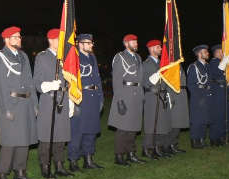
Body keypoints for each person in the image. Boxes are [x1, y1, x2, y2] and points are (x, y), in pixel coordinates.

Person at [0, 26, 38, 179]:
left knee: (24, 140)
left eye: (19, 37)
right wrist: (6, 108)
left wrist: (35, 105)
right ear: (6, 39)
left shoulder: (23, 56)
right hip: (11, 104)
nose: (19, 39)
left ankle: (20, 172)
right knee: (9, 141)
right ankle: (2, 174)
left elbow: (30, 82)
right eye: (15, 37)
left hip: (26, 103)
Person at [34, 29, 73, 178]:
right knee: (46, 137)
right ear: (51, 40)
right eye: (59, 40)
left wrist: (71, 101)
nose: (62, 43)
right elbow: (37, 82)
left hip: (63, 98)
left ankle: (59, 165)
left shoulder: (65, 58)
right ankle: (45, 166)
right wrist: (50, 85)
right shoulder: (42, 57)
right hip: (49, 100)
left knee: (61, 135)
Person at [108, 34, 146, 166]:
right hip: (125, 94)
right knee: (123, 128)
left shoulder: (138, 57)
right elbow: (116, 80)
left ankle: (131, 154)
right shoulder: (119, 57)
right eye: (133, 42)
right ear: (126, 43)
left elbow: (140, 78)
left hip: (137, 95)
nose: (136, 43)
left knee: (134, 127)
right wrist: (119, 99)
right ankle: (119, 156)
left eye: (136, 41)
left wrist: (142, 95)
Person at [69, 34, 105, 169]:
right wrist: (73, 101)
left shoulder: (92, 57)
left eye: (91, 43)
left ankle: (88, 159)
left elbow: (97, 78)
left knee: (91, 130)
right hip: (80, 97)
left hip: (93, 97)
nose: (91, 45)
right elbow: (70, 80)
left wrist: (100, 97)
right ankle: (73, 161)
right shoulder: (74, 58)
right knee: (77, 131)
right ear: (80, 44)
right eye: (88, 43)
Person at [142, 39, 172, 158]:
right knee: (151, 123)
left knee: (161, 123)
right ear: (151, 48)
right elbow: (143, 80)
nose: (160, 49)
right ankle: (147, 148)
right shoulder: (145, 64)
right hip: (152, 96)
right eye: (158, 47)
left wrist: (167, 94)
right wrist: (149, 87)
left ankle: (157, 147)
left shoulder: (161, 63)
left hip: (162, 95)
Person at [187, 44, 212, 148]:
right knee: (197, 120)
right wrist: (199, 97)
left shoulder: (207, 66)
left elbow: (210, 81)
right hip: (198, 98)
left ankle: (202, 139)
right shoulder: (193, 67)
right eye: (205, 52)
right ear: (199, 54)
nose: (207, 53)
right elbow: (191, 85)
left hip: (207, 96)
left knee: (205, 119)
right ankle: (194, 141)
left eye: (207, 51)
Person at [208, 44, 228, 146]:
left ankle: (220, 137)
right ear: (215, 53)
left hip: (222, 91)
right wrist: (224, 61)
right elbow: (218, 72)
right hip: (216, 92)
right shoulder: (213, 62)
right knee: (216, 116)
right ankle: (214, 138)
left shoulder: (221, 63)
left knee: (222, 116)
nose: (222, 53)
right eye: (220, 52)